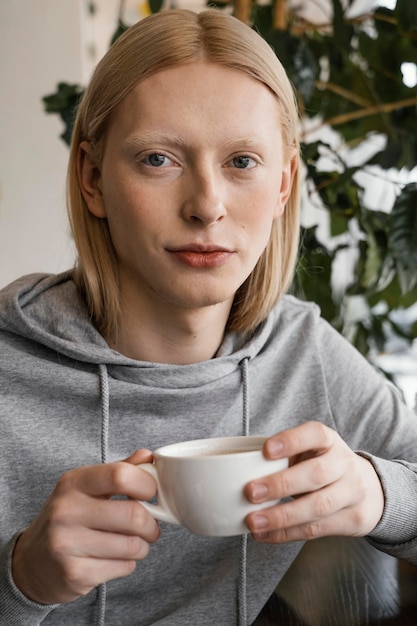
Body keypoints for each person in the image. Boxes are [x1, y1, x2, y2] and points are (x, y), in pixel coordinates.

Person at [0, 8, 416, 626]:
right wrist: (20, 578)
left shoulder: (302, 351)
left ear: (283, 186)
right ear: (92, 178)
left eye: (242, 161)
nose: (206, 206)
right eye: (158, 159)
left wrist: (379, 492)